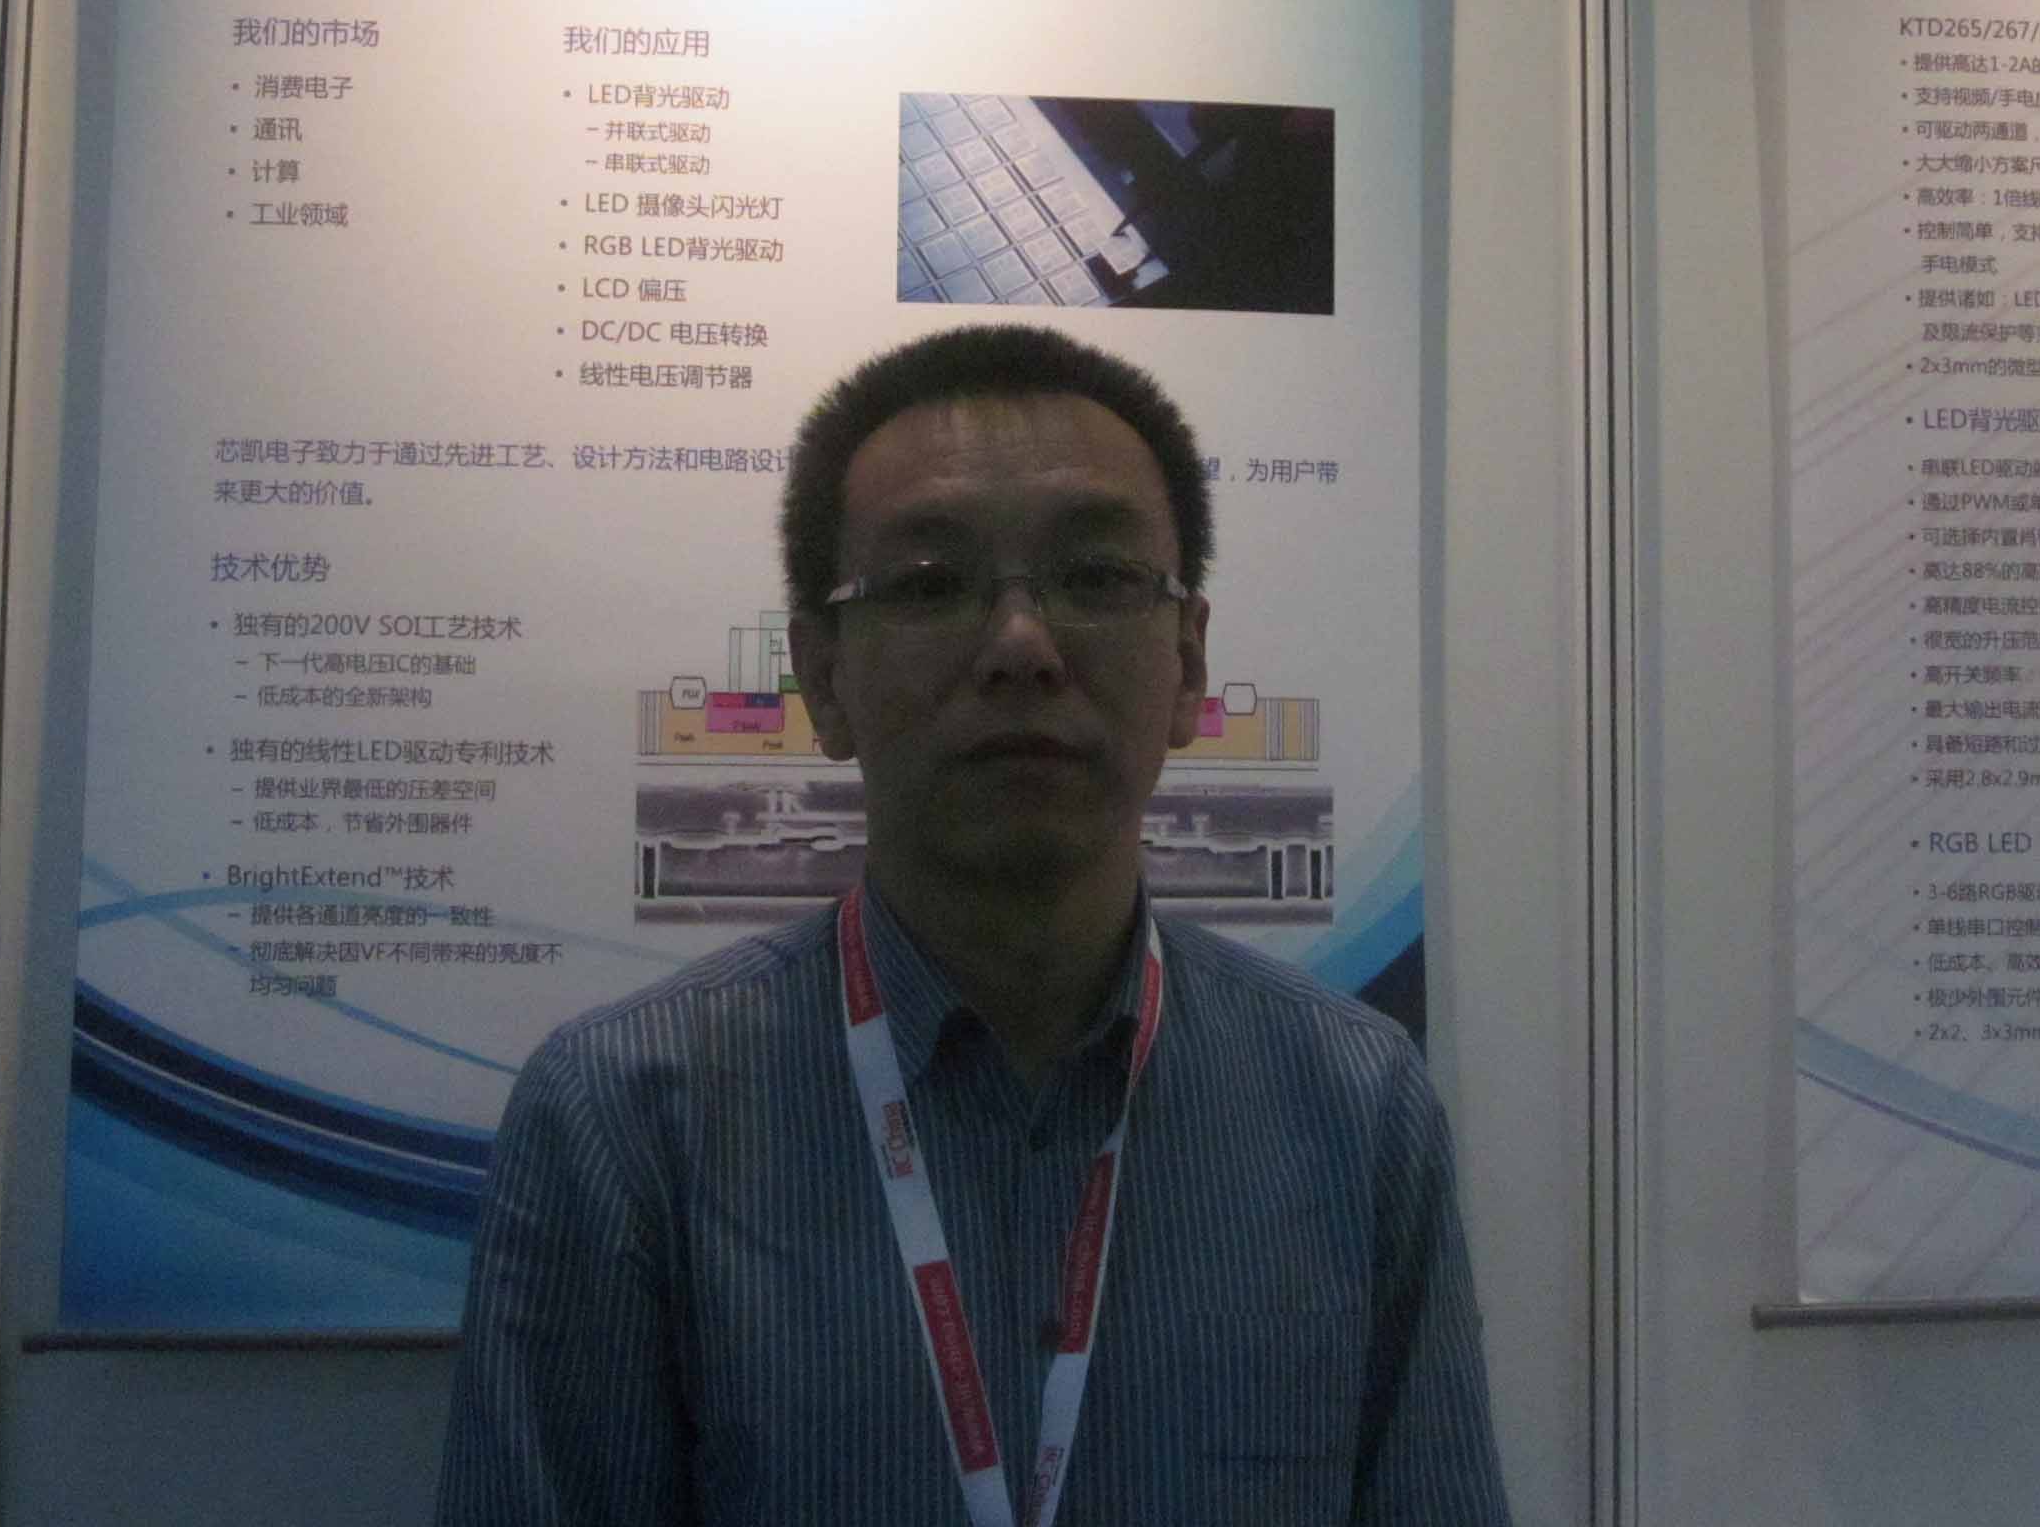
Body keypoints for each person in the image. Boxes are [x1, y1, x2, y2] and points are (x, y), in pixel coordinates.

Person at [436, 323, 1510, 1525]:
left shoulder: (1357, 1110)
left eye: (1096, 577)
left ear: (1189, 662)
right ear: (823, 679)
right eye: (929, 583)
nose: (1021, 647)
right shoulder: (625, 1123)